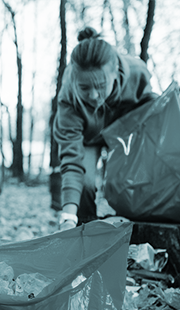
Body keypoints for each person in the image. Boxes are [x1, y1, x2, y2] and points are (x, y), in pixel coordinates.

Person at [53, 27, 157, 231]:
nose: (93, 95)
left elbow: (151, 106)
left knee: (126, 184)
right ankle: (83, 229)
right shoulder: (68, 99)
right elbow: (72, 160)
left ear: (115, 72)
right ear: (74, 79)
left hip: (124, 135)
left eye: (100, 86)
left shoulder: (136, 73)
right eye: (84, 88)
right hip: (87, 139)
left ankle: (129, 233)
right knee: (85, 183)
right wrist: (68, 217)